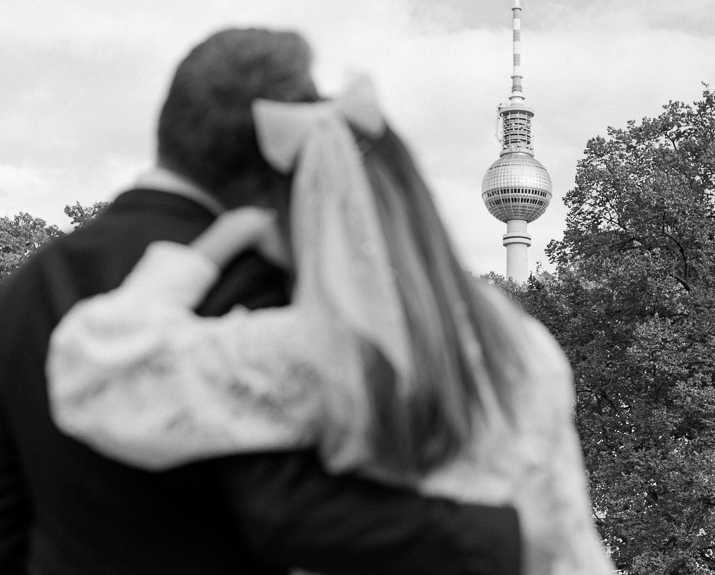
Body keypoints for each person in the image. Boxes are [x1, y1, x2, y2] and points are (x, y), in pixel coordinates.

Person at [0, 29, 523, 575]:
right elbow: (288, 513)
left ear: (170, 124)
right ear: (275, 152)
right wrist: (495, 537)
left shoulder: (19, 292)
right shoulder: (261, 277)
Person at [45, 73, 616, 575]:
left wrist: (215, 246)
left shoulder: (318, 351)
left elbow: (88, 371)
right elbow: (569, 542)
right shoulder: (525, 346)